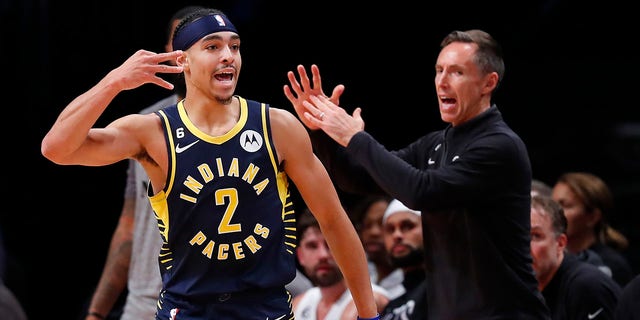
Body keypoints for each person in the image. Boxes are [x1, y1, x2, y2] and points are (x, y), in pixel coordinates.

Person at [41, 7, 379, 320]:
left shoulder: (277, 126)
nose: (228, 56)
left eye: (235, 46)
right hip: (188, 309)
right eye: (212, 47)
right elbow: (56, 148)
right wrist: (113, 82)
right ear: (183, 60)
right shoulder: (153, 131)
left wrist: (369, 314)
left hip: (265, 308)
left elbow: (333, 220)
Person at [284, 29, 551, 318]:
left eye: (457, 72)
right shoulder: (436, 143)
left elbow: (420, 192)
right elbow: (358, 179)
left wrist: (355, 138)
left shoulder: (499, 145)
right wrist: (322, 130)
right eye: (439, 70)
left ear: (489, 83)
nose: (442, 82)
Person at [84, 6, 203, 320]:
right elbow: (130, 226)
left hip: (210, 300)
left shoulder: (255, 126)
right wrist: (97, 311)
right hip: (144, 303)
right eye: (182, 41)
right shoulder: (144, 125)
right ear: (167, 51)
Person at [530, 195, 622, 320]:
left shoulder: (587, 286)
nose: (524, 246)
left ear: (560, 243)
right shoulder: (523, 286)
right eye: (518, 236)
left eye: (535, 236)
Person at [293, 208, 389, 320]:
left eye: (330, 245)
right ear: (300, 256)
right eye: (312, 246)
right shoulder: (298, 304)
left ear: (348, 249)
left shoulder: (373, 299)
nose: (323, 255)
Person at [551, 171, 634, 287]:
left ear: (592, 217)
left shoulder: (611, 265)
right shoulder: (548, 258)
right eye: (552, 205)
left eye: (565, 205)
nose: (554, 213)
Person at [379, 199, 428, 320]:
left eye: (407, 226)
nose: (397, 235)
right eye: (390, 229)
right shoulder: (389, 307)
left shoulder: (444, 290)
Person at [351, 195, 404, 299]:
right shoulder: (357, 279)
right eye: (367, 225)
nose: (373, 232)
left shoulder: (414, 284)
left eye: (382, 224)